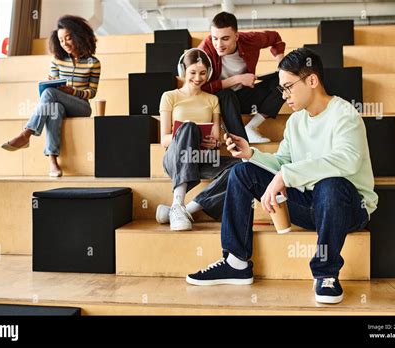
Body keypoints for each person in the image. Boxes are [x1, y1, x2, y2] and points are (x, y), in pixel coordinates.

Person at [186, 48, 379, 305]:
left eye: (288, 87)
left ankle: (326, 274)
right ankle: (236, 261)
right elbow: (282, 162)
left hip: (347, 209)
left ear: (312, 80)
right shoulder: (296, 121)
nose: (284, 95)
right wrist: (251, 153)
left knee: (330, 184)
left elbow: (346, 160)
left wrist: (286, 176)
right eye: (282, 90)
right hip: (310, 205)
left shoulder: (345, 115)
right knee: (242, 171)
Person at [1, 15, 101, 177]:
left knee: (50, 95)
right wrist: (53, 83)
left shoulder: (93, 63)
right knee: (53, 107)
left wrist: (72, 91)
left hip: (81, 106)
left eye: (68, 38)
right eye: (61, 41)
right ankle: (53, 161)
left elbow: (92, 92)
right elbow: (52, 89)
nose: (65, 44)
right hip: (59, 102)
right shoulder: (57, 60)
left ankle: (26, 134)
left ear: (78, 36)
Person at [156, 48, 240, 231]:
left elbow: (216, 138)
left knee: (241, 167)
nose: (198, 77)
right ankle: (177, 202)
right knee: (188, 127)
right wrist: (187, 134)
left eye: (203, 73)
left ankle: (187, 210)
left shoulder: (212, 100)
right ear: (183, 71)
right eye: (192, 72)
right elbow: (164, 139)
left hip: (202, 157)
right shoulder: (169, 97)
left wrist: (214, 142)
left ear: (208, 73)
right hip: (175, 157)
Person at [199, 11, 286, 144]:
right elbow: (200, 88)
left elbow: (275, 38)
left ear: (237, 36)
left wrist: (281, 64)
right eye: (215, 38)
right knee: (227, 94)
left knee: (283, 80)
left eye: (225, 38)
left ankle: (251, 127)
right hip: (219, 102)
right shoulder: (205, 49)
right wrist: (238, 79)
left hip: (244, 98)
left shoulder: (251, 39)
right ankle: (241, 142)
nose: (219, 45)